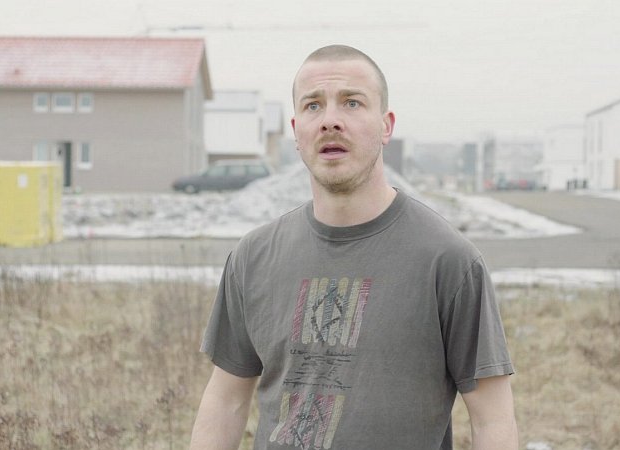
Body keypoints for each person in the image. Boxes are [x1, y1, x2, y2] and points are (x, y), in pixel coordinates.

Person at [190, 44, 517, 450]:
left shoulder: (448, 260)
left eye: (352, 102)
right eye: (313, 105)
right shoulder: (252, 257)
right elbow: (226, 401)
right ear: (296, 130)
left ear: (385, 125)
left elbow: (492, 419)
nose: (330, 120)